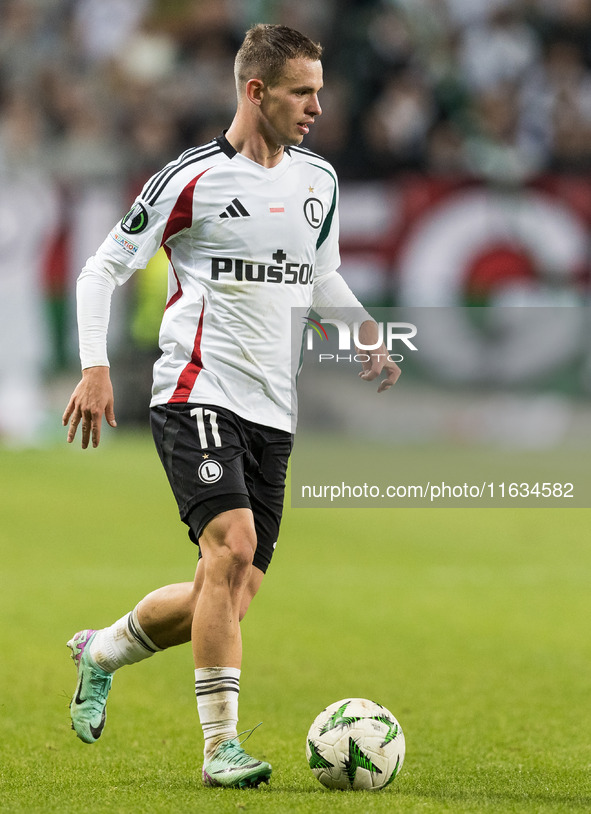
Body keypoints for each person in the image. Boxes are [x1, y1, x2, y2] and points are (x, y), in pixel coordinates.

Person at [62, 23, 400, 789]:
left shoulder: (319, 180)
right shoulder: (190, 178)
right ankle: (221, 749)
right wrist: (93, 367)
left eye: (319, 89)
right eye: (302, 91)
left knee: (229, 593)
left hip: (272, 412)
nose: (318, 105)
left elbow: (318, 278)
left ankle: (103, 650)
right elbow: (100, 270)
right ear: (256, 92)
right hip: (195, 390)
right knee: (233, 548)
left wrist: (364, 332)